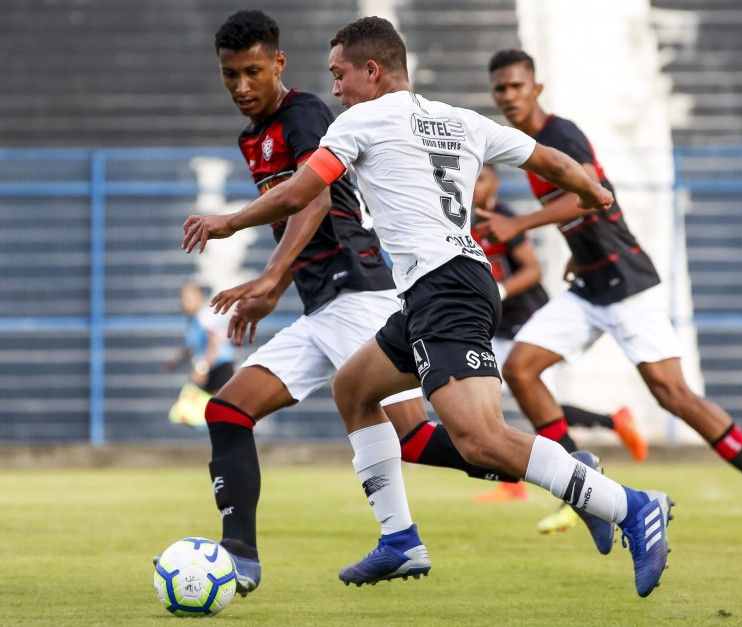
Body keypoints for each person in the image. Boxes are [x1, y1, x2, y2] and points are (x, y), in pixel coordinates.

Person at [182, 16, 675, 599]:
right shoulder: (463, 120)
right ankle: (400, 540)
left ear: (371, 71)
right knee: (354, 391)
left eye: (340, 74)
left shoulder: (357, 120)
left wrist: (228, 222)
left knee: (479, 438)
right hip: (435, 288)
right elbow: (560, 166)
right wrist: (597, 197)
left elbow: (300, 194)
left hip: (447, 290)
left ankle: (632, 505)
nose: (334, 88)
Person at [193, 10, 524, 598]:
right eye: (228, 76)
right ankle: (239, 555)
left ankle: (558, 470)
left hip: (361, 291)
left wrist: (270, 278)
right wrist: (280, 285)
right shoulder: (252, 136)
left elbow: (313, 199)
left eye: (251, 72)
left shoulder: (308, 114)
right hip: (323, 306)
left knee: (417, 437)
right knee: (227, 412)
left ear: (278, 64)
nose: (241, 87)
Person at [481, 48, 742, 545]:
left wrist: (519, 223)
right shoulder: (530, 145)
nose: (507, 96)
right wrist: (576, 248)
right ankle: (580, 483)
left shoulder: (558, 134)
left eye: (515, 86)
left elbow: (589, 192)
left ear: (535, 88)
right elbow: (585, 209)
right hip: (589, 283)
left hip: (626, 283)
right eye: (499, 88)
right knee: (521, 369)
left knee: (672, 394)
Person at [470, 164, 647, 506]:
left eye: (482, 178)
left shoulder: (504, 218)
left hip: (524, 320)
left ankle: (609, 430)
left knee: (535, 403)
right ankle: (515, 481)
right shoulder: (460, 218)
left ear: (496, 183)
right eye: (471, 178)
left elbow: (532, 270)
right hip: (493, 324)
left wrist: (498, 292)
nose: (475, 186)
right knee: (492, 403)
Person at [163, 281, 235, 427]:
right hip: (209, 369)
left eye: (189, 299)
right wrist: (176, 362)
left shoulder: (204, 316)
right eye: (183, 299)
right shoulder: (192, 320)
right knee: (191, 409)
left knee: (222, 411)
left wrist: (202, 367)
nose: (184, 303)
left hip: (219, 368)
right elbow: (191, 347)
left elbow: (213, 343)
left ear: (199, 298)